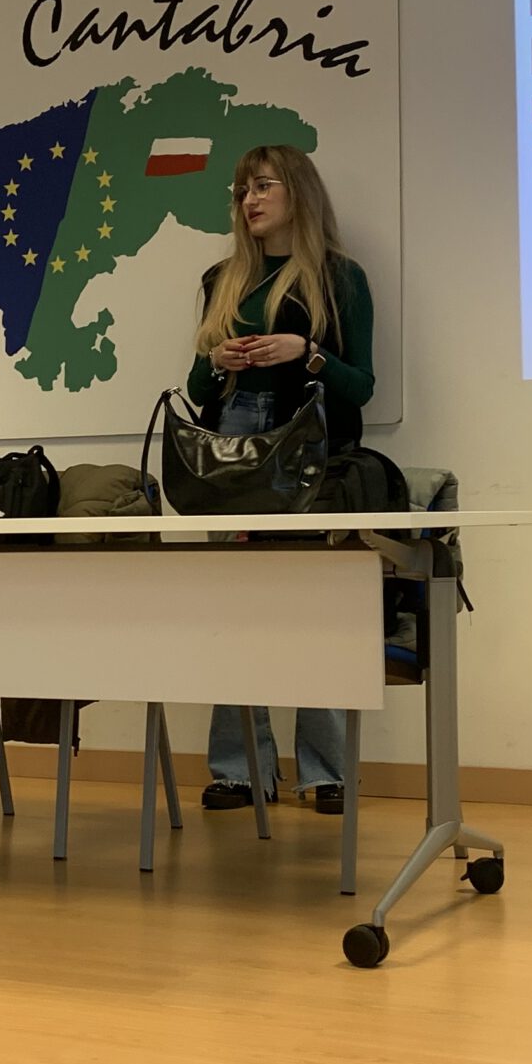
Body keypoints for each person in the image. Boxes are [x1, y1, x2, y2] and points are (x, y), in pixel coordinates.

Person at [185, 145, 375, 816]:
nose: (250, 200)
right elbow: (197, 389)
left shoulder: (339, 278)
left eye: (263, 186)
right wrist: (218, 358)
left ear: (299, 193)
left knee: (314, 612)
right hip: (233, 451)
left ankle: (325, 772)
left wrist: (308, 353)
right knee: (235, 613)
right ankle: (241, 770)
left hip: (312, 454)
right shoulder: (222, 279)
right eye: (242, 190)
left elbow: (362, 387)